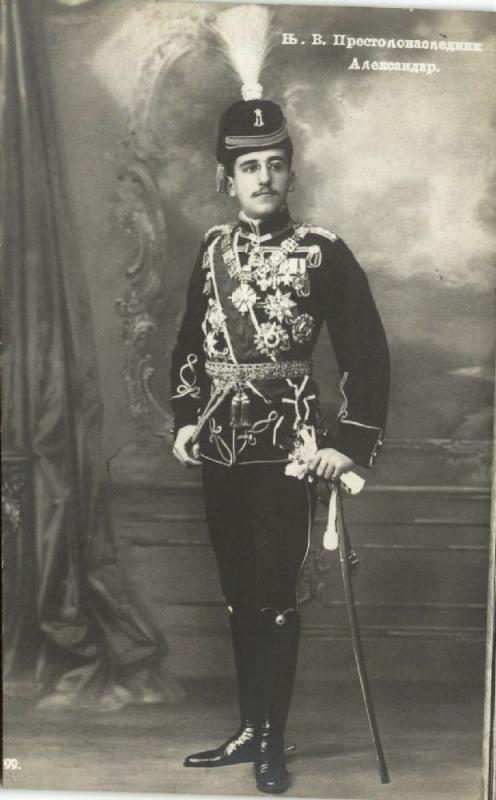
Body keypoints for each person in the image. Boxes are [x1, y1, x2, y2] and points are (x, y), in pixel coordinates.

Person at [169, 93, 389, 794]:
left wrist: (346, 445)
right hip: (220, 451)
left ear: (290, 174)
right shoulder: (211, 250)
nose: (261, 178)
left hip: (287, 453)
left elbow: (368, 355)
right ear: (225, 179)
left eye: (273, 165)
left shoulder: (323, 252)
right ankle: (244, 728)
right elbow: (187, 346)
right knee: (237, 594)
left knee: (273, 596)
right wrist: (184, 417)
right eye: (247, 167)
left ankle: (271, 740)